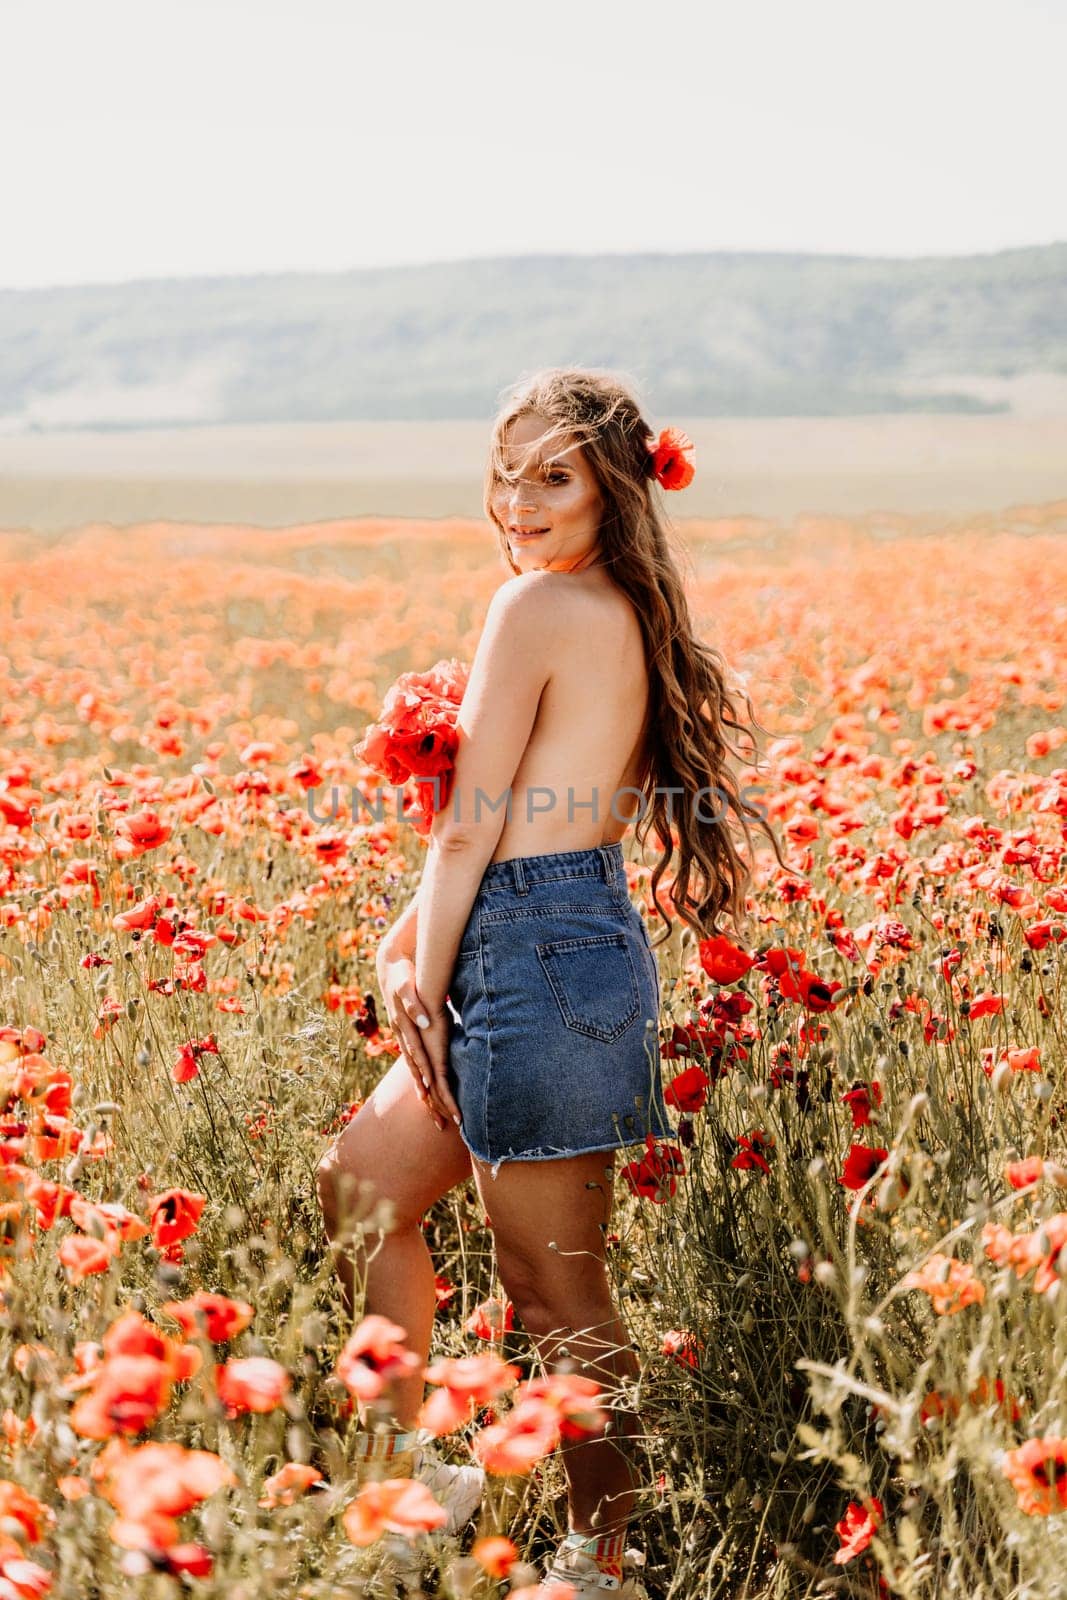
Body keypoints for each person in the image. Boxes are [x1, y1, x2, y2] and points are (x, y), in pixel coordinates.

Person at [317, 367, 788, 1595]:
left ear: (613, 486)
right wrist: (412, 944)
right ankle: (414, 1481)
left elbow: (478, 829)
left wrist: (418, 972)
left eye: (554, 474)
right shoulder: (609, 603)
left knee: (553, 1285)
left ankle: (601, 1558)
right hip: (534, 936)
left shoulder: (535, 606)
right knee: (363, 1180)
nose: (519, 500)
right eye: (507, 471)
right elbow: (525, 818)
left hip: (536, 953)